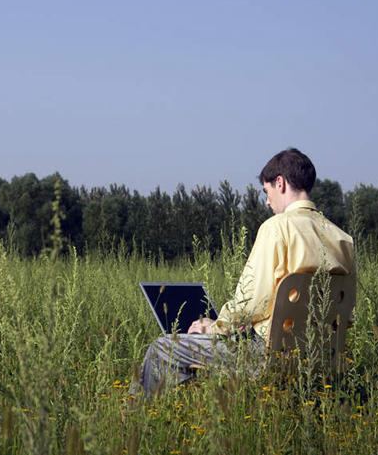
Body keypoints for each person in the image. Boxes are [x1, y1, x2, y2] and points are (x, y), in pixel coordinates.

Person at [138, 148, 355, 396]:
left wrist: (215, 327)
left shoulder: (277, 228)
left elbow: (251, 303)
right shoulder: (342, 239)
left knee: (163, 348)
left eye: (266, 191)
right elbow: (347, 314)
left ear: (280, 183)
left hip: (267, 355)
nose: (267, 201)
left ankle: (142, 414)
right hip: (322, 355)